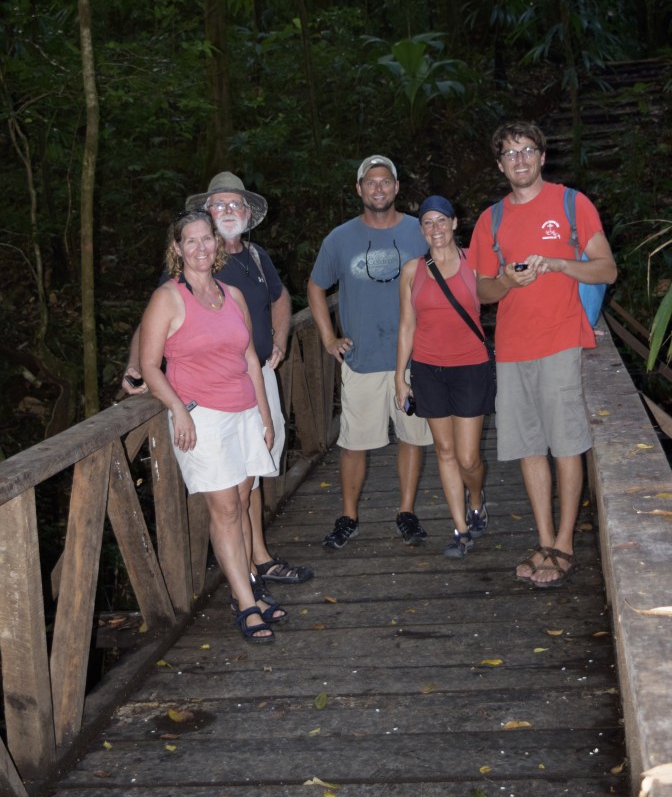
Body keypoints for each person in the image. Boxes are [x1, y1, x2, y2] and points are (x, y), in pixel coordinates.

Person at [123, 172, 313, 590]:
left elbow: (281, 298)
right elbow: (153, 320)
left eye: (235, 205)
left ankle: (258, 557)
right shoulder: (191, 264)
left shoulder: (257, 257)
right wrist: (136, 366)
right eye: (219, 205)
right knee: (229, 493)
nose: (228, 212)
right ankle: (245, 576)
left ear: (247, 214)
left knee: (252, 475)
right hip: (208, 393)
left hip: (255, 380)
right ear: (205, 216)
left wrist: (280, 338)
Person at [468, 121, 617, 588]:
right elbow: (480, 291)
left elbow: (606, 269)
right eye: (510, 154)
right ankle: (544, 537)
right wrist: (508, 281)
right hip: (512, 348)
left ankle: (566, 543)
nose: (520, 160)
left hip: (561, 342)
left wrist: (556, 264)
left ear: (542, 156)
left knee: (567, 442)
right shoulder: (491, 219)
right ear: (500, 165)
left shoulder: (572, 204)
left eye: (527, 150)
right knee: (529, 446)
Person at [139, 209, 284, 643]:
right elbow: (150, 365)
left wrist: (264, 415)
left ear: (216, 245)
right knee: (223, 510)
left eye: (207, 239)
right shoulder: (168, 298)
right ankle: (246, 601)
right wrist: (179, 409)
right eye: (192, 241)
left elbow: (250, 361)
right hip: (203, 418)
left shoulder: (233, 295)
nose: (201, 248)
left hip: (243, 414)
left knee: (240, 505)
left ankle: (248, 590)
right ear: (177, 248)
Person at [307, 155, 433, 549]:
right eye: (370, 182)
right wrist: (329, 338)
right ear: (359, 189)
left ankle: (407, 512)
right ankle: (348, 515)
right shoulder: (340, 238)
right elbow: (315, 287)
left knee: (412, 436)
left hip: (412, 359)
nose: (378, 188)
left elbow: (447, 275)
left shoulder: (420, 231)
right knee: (354, 442)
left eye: (385, 181)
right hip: (361, 360)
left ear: (396, 187)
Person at [395, 196, 495, 558]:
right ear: (421, 230)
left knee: (469, 458)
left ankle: (477, 498)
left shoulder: (475, 262)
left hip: (470, 366)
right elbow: (407, 325)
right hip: (427, 368)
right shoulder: (412, 270)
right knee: (445, 450)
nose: (435, 229)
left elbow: (500, 292)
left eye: (441, 221)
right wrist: (399, 377)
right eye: (427, 223)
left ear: (455, 223)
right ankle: (461, 528)